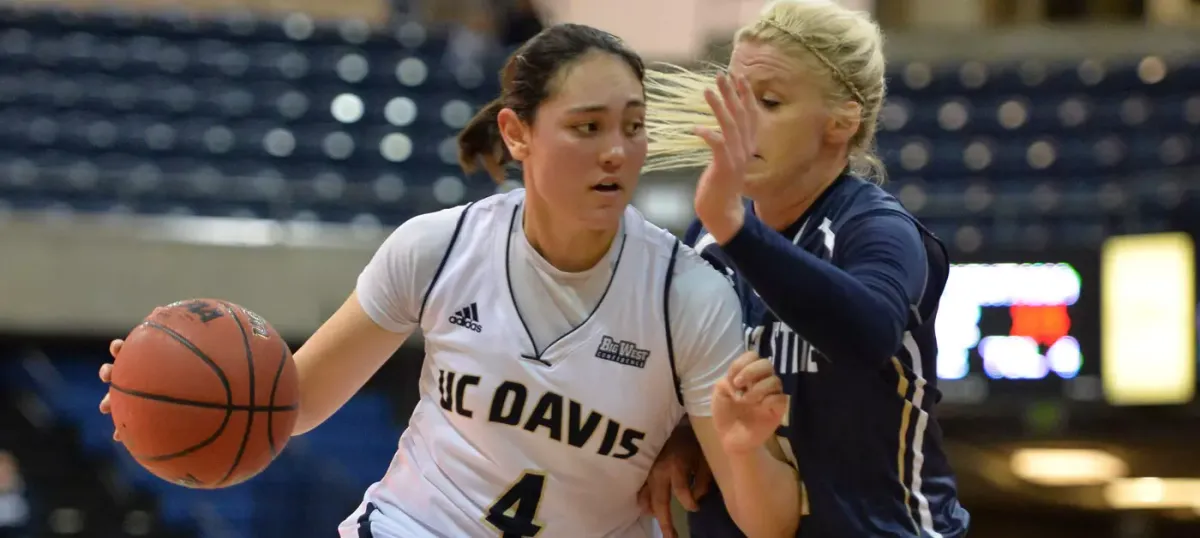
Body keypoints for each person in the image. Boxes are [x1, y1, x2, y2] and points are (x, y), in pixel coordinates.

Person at [97, 24, 805, 538]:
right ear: (518, 134)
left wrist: (742, 448)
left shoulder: (688, 295)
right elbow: (293, 403)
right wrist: (157, 402)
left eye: (633, 126)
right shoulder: (438, 248)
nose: (617, 152)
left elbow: (767, 524)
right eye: (586, 127)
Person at [637, 1, 971, 537]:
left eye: (768, 102)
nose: (742, 123)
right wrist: (685, 433)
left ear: (842, 120)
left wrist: (735, 230)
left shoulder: (876, 230)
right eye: (737, 100)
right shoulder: (709, 243)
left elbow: (866, 336)